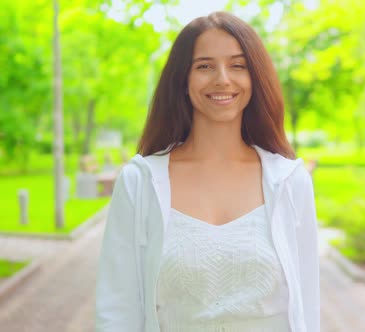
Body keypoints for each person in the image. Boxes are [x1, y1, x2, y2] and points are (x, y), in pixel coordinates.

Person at [96, 11, 320, 332]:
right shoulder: (140, 182)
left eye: (238, 65)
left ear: (255, 78)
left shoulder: (289, 182)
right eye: (204, 66)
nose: (222, 79)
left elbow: (307, 309)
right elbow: (116, 310)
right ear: (182, 80)